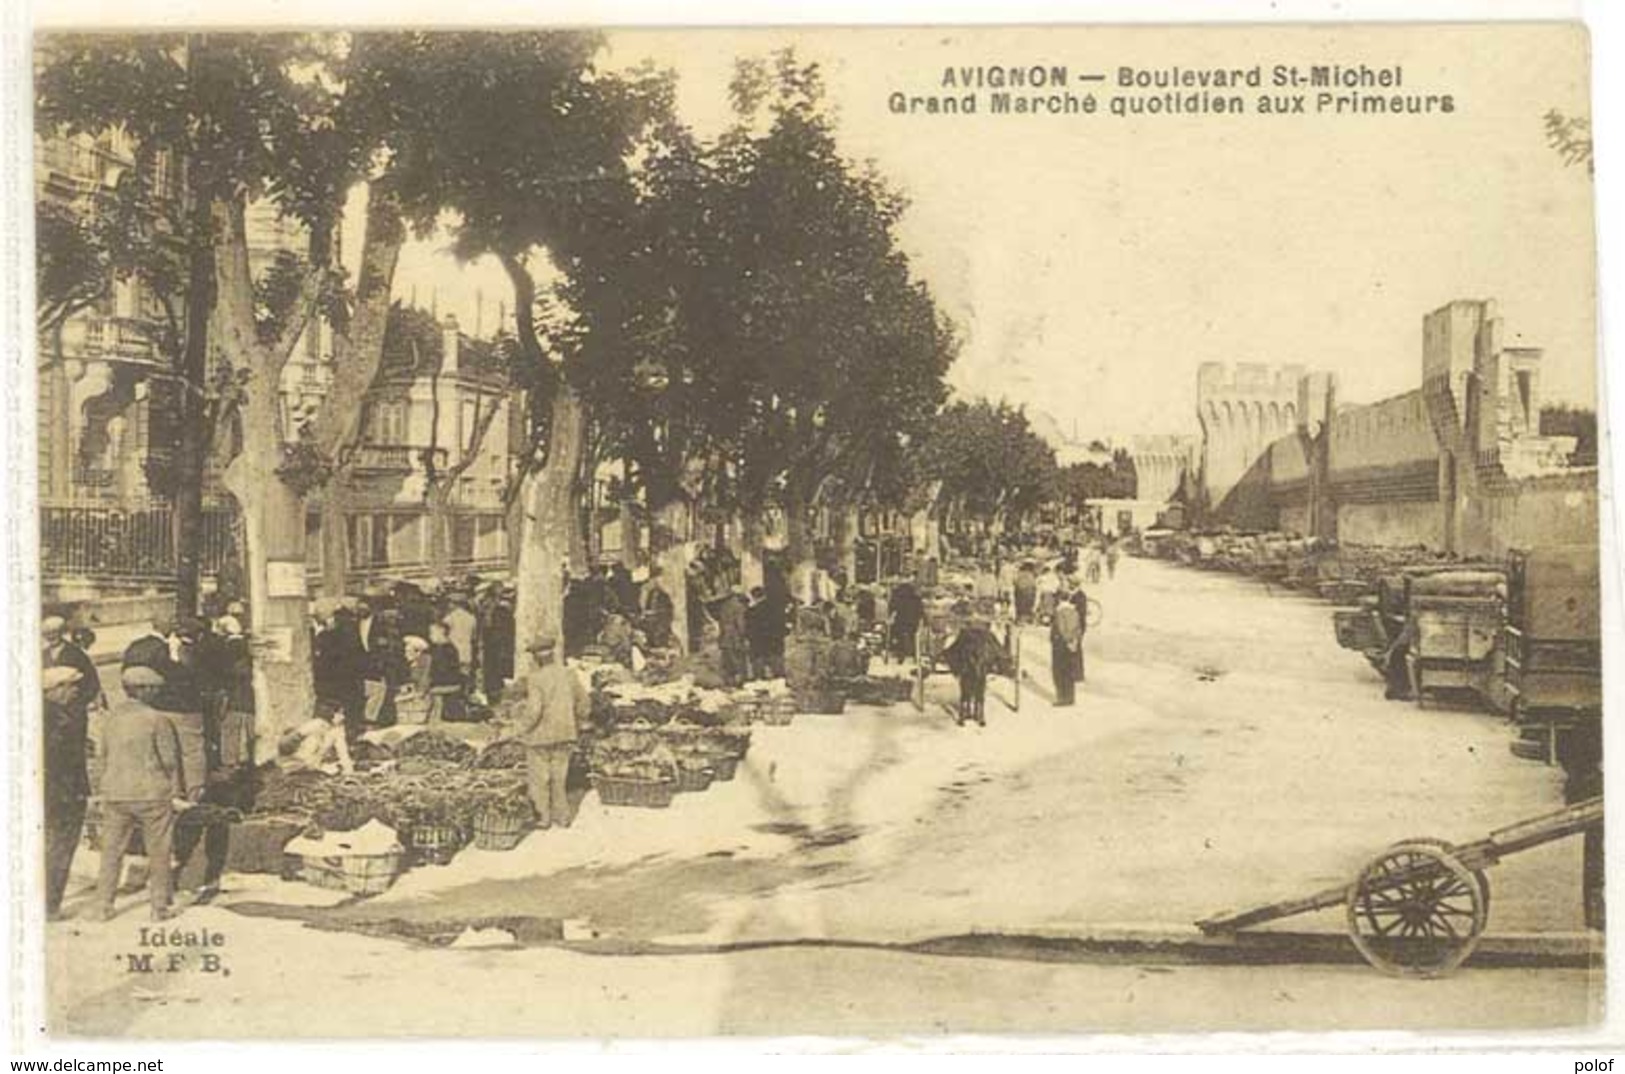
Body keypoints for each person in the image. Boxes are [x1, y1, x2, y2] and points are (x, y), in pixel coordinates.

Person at [93, 666, 189, 922]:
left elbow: (103, 755)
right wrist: (178, 792)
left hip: (116, 792)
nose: (158, 693)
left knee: (112, 851)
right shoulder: (157, 720)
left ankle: (103, 905)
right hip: (151, 794)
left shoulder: (111, 718)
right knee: (159, 851)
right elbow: (170, 761)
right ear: (143, 690)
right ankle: (159, 907)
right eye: (155, 689)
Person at [513, 637, 589, 830]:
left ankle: (543, 817)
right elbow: (584, 703)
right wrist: (576, 722)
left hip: (541, 736)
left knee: (540, 779)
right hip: (565, 733)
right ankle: (562, 817)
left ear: (536, 658)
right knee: (559, 777)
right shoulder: (569, 674)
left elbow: (534, 711)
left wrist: (520, 729)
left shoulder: (536, 679)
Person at [42, 660, 92, 919]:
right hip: (63, 795)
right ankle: (50, 906)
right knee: (60, 848)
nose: (76, 692)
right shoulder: (60, 720)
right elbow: (63, 763)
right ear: (57, 689)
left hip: (47, 793)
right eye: (73, 686)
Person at [943, 618, 1001, 726]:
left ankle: (967, 706)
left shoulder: (965, 633)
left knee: (967, 668)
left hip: (972, 653)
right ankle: (977, 708)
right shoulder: (985, 634)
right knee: (978, 670)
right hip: (978, 655)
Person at [276, 711, 355, 775]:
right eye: (339, 714)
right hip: (297, 761)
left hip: (314, 765)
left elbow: (343, 752)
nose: (343, 717)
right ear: (332, 713)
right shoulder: (316, 724)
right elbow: (288, 742)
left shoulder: (338, 731)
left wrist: (348, 770)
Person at [424, 622, 465, 725]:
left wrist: (429, 685)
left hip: (446, 686)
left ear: (441, 632)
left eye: (432, 633)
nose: (430, 636)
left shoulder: (445, 650)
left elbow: (442, 673)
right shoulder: (444, 648)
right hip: (447, 685)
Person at [1050, 593, 1084, 707]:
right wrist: (1074, 641)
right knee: (1069, 671)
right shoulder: (1075, 612)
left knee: (1059, 672)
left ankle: (1062, 697)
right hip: (1072, 644)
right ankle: (1070, 697)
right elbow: (1079, 628)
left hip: (1060, 646)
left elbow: (1061, 628)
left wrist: (1066, 640)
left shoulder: (1059, 613)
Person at [638, 566, 675, 651]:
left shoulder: (652, 589)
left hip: (658, 615)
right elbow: (643, 603)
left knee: (658, 635)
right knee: (656, 635)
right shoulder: (650, 587)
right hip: (656, 616)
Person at [889, 580, 924, 664]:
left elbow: (892, 608)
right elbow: (920, 611)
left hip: (900, 621)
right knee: (913, 638)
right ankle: (915, 655)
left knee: (899, 637)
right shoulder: (917, 599)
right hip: (913, 622)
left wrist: (891, 617)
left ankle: (900, 655)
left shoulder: (897, 597)